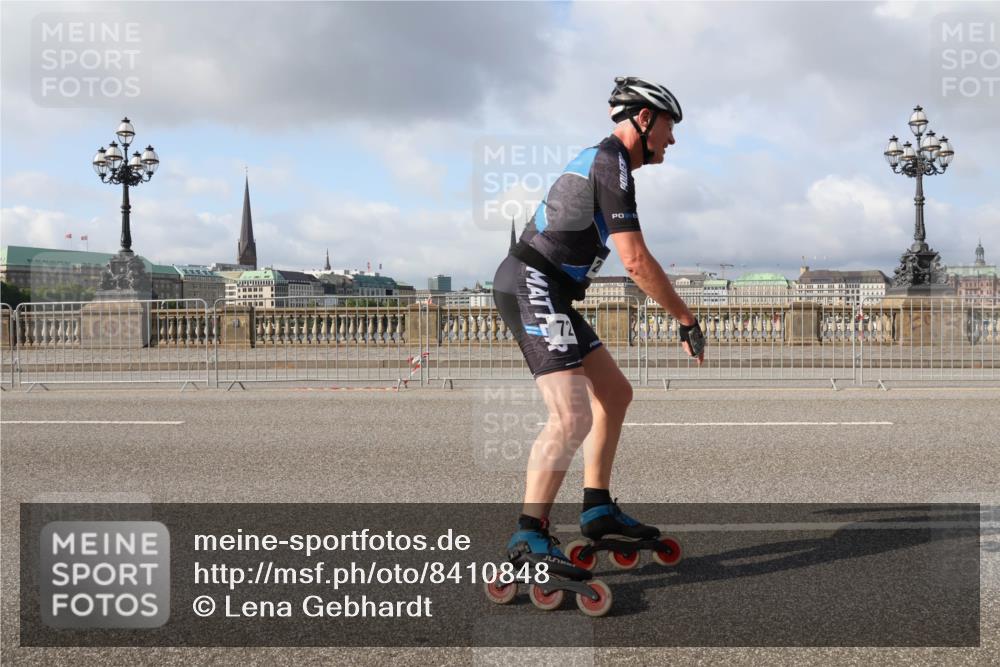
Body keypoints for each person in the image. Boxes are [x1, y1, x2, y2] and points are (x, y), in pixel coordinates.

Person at [492, 76, 706, 572]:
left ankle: (597, 507)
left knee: (614, 393)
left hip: (552, 292)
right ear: (645, 119)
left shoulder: (613, 166)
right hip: (531, 285)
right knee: (571, 416)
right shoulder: (610, 162)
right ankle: (527, 536)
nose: (672, 140)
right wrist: (685, 318)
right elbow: (634, 261)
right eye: (669, 128)